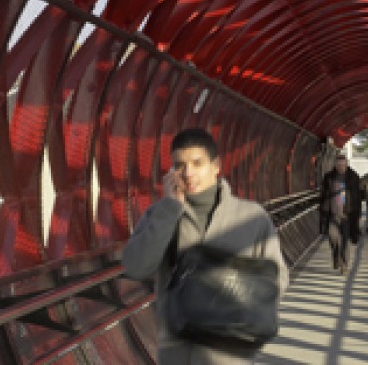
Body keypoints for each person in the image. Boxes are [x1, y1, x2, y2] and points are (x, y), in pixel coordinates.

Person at [122, 128, 287, 364]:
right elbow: (137, 266)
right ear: (171, 171)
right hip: (178, 353)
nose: (188, 173)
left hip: (230, 354)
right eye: (180, 165)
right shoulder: (160, 215)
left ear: (216, 165)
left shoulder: (252, 217)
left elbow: (277, 278)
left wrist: (238, 317)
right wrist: (170, 208)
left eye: (197, 163)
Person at [318, 161, 355, 272]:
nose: (341, 167)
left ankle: (344, 265)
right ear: (335, 166)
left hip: (347, 214)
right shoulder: (329, 177)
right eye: (339, 165)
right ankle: (336, 257)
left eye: (343, 165)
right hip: (332, 214)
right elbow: (323, 193)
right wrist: (323, 207)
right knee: (332, 237)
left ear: (346, 165)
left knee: (345, 240)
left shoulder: (352, 178)